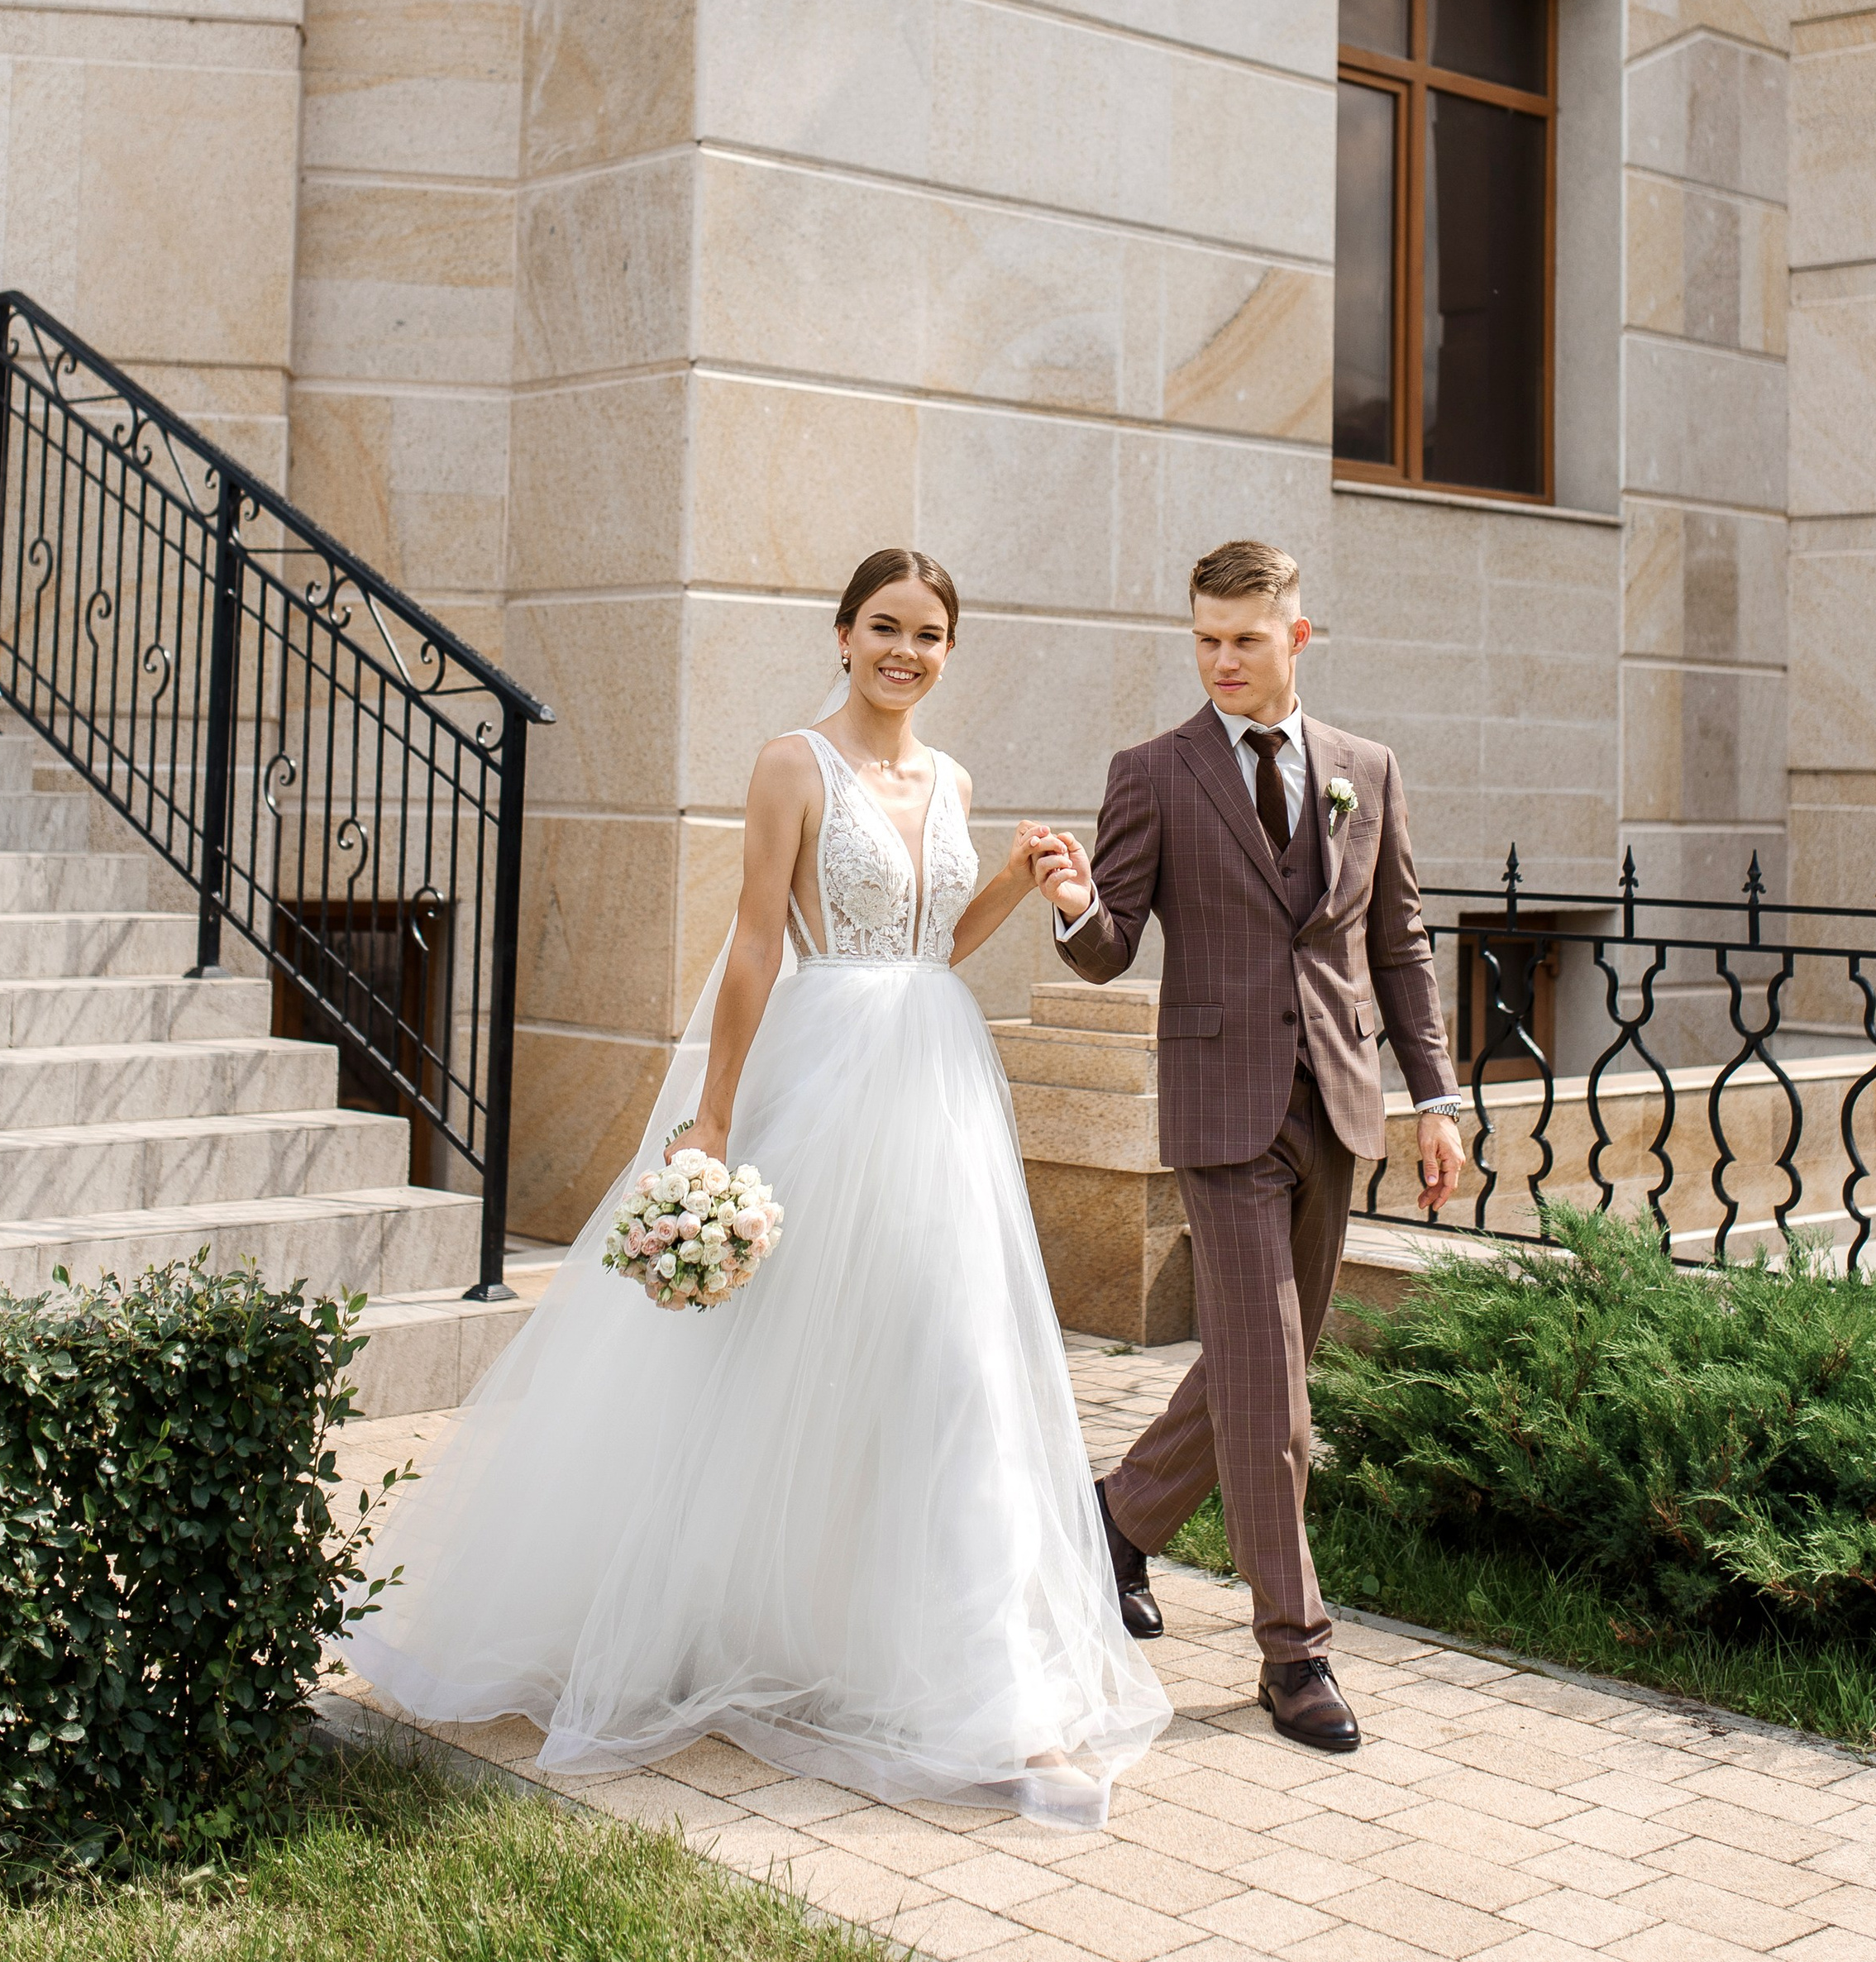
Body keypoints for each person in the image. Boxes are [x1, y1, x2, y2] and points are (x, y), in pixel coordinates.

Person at [342, 547, 1169, 1827]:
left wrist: (1013, 876)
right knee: (775, 1362)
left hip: (940, 1093)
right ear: (842, 635)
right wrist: (711, 1116)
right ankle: (707, 1613)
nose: (907, 650)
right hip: (825, 1083)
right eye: (885, 627)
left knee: (955, 1365)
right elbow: (756, 941)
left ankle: (991, 1690)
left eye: (931, 634)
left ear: (950, 652)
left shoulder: (949, 777)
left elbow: (930, 947)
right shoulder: (795, 763)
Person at [1032, 537, 1465, 1756]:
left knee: (1256, 1364)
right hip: (1221, 1115)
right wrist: (1073, 903)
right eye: (1205, 640)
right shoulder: (1155, 773)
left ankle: (1113, 1526)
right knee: (1273, 1388)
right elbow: (1112, 944)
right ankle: (1296, 1654)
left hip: (1334, 1104)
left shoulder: (1364, 770)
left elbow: (1402, 944)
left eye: (1245, 640)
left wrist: (1436, 1098)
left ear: (1297, 638)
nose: (1222, 661)